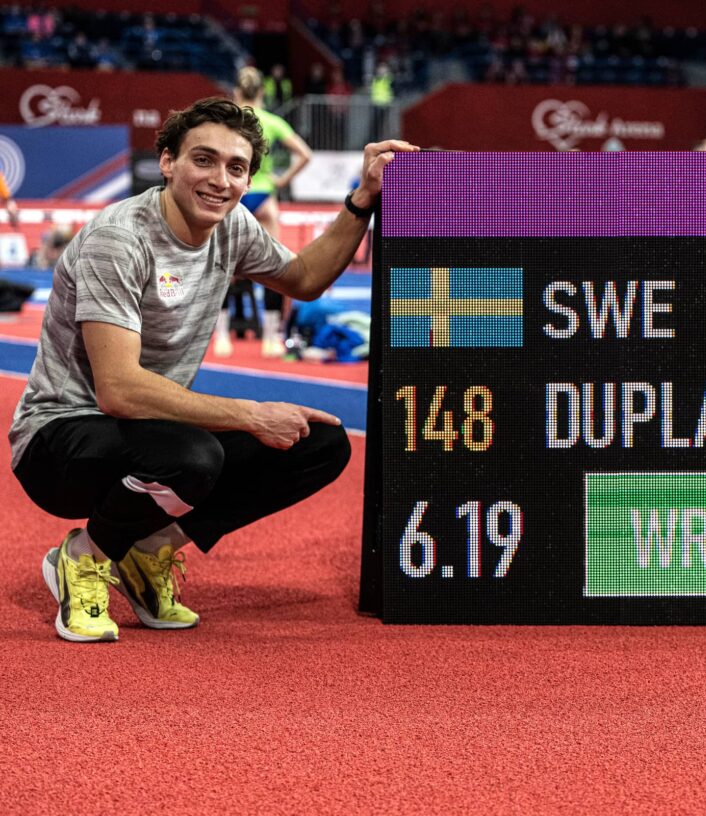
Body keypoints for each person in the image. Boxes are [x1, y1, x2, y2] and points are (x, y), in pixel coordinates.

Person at [10, 97, 417, 642]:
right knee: (193, 455)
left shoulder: (232, 228)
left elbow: (304, 279)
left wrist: (363, 198)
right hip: (58, 443)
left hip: (149, 436)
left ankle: (148, 552)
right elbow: (118, 390)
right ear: (168, 161)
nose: (219, 180)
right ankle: (84, 556)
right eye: (203, 160)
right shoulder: (119, 238)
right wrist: (249, 414)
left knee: (318, 442)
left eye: (236, 167)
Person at [215, 67, 313, 358]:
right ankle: (271, 339)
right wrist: (282, 180)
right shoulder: (272, 121)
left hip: (234, 195)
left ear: (236, 92)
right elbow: (305, 154)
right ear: (262, 93)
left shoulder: (227, 122)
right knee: (275, 267)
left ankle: (222, 338)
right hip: (264, 198)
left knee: (222, 266)